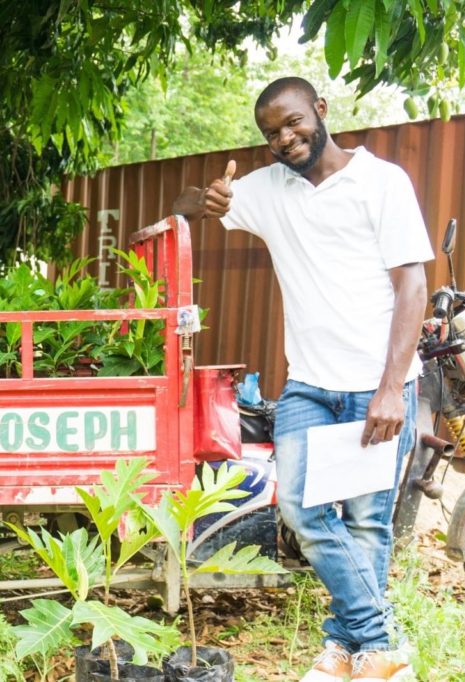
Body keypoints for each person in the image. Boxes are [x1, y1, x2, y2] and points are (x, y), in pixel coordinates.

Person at [173, 77, 430, 682]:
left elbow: (412, 285)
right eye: (271, 134)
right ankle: (381, 642)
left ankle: (347, 652)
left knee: (367, 521)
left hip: (378, 384)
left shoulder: (382, 182)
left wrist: (391, 388)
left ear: (320, 109)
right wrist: (203, 199)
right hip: (310, 384)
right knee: (298, 507)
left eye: (292, 123)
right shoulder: (267, 189)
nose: (284, 139)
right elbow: (185, 207)